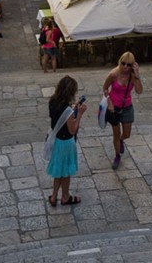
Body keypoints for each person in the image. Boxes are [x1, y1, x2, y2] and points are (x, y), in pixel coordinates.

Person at [47, 75, 87, 206]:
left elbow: (59, 119)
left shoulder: (52, 101)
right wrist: (79, 114)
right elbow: (72, 130)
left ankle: (53, 196)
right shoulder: (68, 110)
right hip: (66, 143)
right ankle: (65, 196)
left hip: (57, 140)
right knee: (65, 172)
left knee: (58, 170)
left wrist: (73, 110)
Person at [103, 51, 143, 170]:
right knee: (115, 133)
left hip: (127, 108)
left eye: (129, 64)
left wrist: (137, 75)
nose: (125, 66)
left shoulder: (132, 76)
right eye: (123, 63)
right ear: (120, 62)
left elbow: (139, 91)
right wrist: (109, 102)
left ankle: (121, 140)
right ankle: (117, 156)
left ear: (133, 65)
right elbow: (105, 88)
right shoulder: (113, 74)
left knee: (126, 134)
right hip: (113, 108)